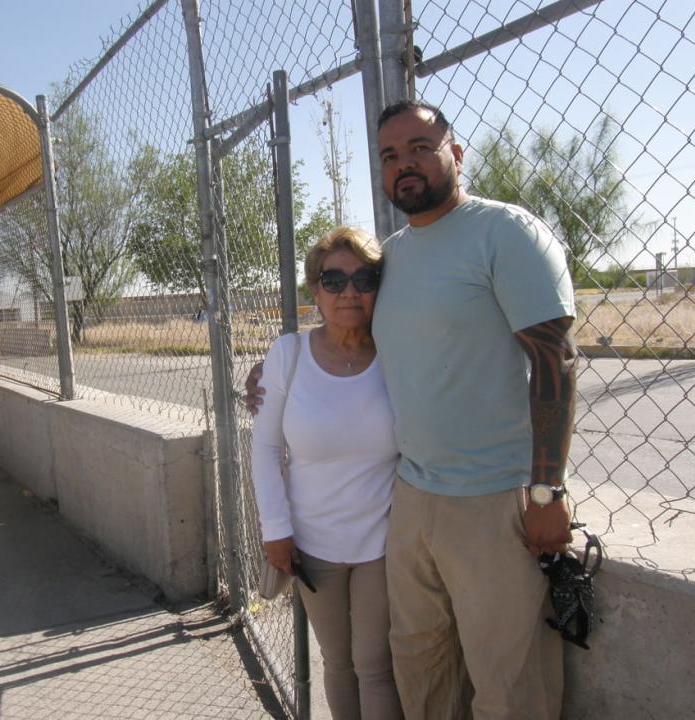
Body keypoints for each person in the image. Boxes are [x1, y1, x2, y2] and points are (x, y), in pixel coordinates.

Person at [248, 100, 577, 720]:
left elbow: (557, 361)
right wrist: (275, 370)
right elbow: (358, 338)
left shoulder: (505, 232)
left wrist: (545, 491)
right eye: (390, 156)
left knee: (507, 681)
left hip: (492, 497)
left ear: (455, 153)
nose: (405, 165)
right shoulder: (391, 258)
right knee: (421, 671)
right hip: (412, 499)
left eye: (421, 148)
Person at [251, 226, 403, 720]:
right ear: (314, 290)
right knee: (338, 662)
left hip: (382, 542)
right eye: (333, 280)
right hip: (312, 544)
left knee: (374, 664)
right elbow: (266, 445)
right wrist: (276, 531)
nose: (350, 292)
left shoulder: (399, 356)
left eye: (364, 278)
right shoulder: (288, 355)